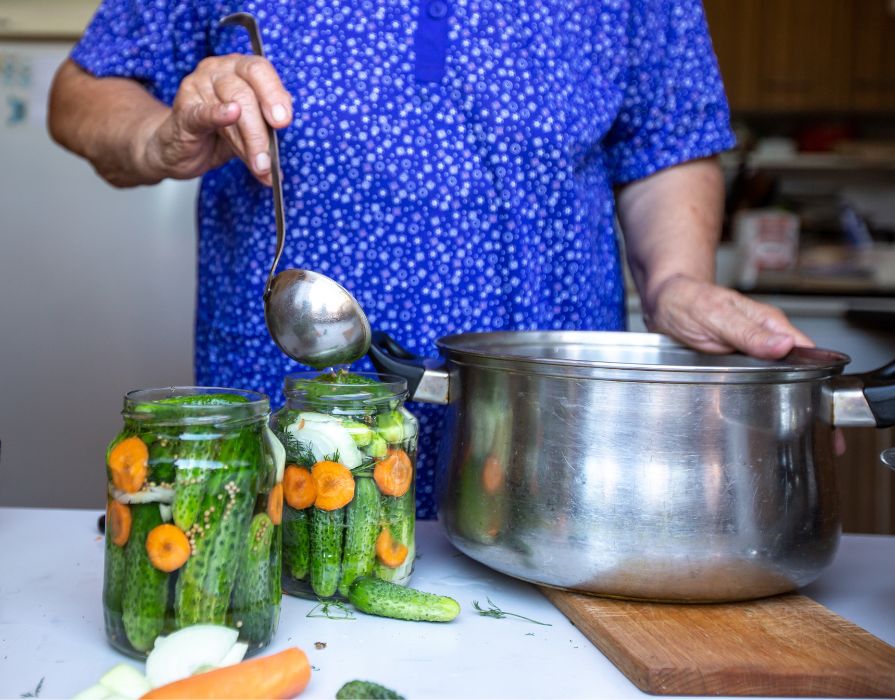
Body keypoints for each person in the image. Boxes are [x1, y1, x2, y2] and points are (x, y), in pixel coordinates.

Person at [48, 0, 812, 518]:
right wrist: (156, 137)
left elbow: (666, 140)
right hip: (286, 432)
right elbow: (79, 92)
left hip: (551, 441)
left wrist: (677, 281)